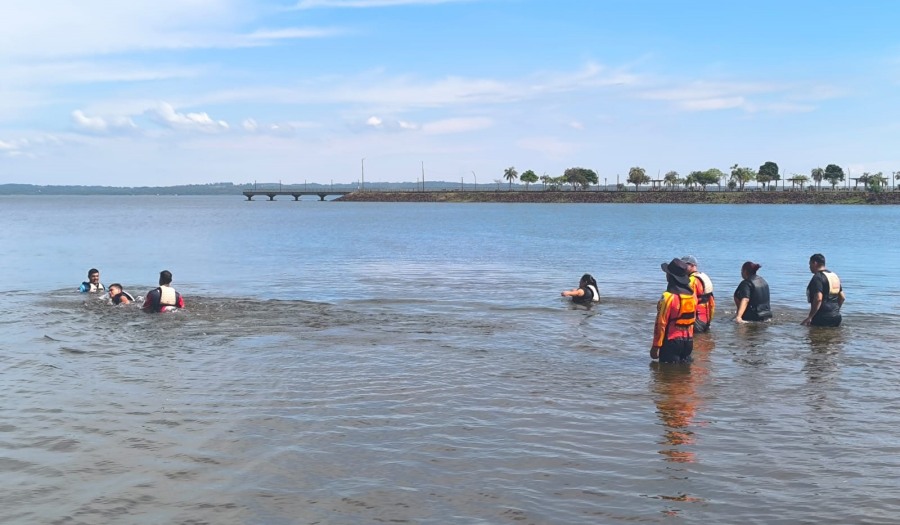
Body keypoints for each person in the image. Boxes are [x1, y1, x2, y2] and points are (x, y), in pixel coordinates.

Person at [651, 258, 697, 364]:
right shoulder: (692, 296)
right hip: (688, 342)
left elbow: (661, 323)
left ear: (670, 276)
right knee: (683, 376)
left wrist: (655, 346)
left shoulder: (668, 297)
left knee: (666, 377)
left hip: (671, 342)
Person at [802, 253, 845, 327]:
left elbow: (818, 298)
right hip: (836, 317)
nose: (809, 267)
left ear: (815, 263)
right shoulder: (834, 276)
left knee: (813, 337)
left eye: (810, 264)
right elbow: (842, 297)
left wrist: (810, 317)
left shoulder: (817, 278)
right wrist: (834, 311)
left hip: (821, 317)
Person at [680, 255, 715, 332]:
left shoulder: (692, 281)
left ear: (692, 265)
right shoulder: (703, 277)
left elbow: (690, 303)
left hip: (697, 320)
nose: (682, 268)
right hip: (706, 319)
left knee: (695, 342)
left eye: (684, 265)